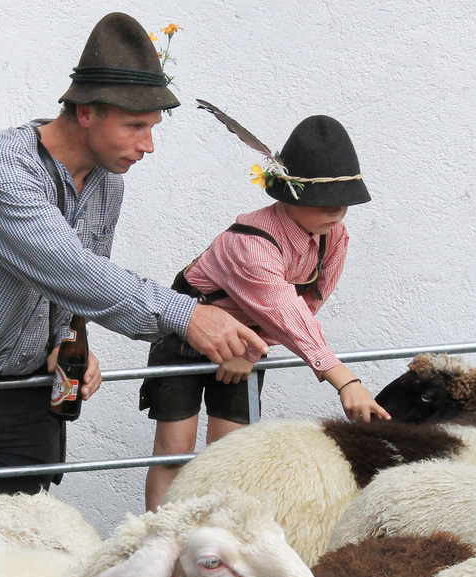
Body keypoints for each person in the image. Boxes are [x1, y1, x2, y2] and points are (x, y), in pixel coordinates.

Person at [0, 12, 266, 496]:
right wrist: (189, 316)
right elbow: (70, 268)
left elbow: (75, 288)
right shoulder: (0, 170)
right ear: (87, 112)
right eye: (135, 125)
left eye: (153, 126)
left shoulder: (107, 183)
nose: (148, 145)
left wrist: (65, 337)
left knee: (15, 548)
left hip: (25, 394)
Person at [141, 111, 389, 510]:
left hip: (247, 340)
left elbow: (306, 305)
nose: (337, 211)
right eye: (324, 200)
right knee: (174, 448)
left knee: (231, 450)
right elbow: (282, 307)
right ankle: (157, 531)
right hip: (189, 331)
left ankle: (218, 537)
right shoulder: (251, 243)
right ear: (289, 195)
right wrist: (345, 380)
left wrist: (252, 351)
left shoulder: (334, 236)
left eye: (345, 201)